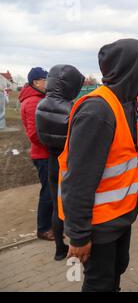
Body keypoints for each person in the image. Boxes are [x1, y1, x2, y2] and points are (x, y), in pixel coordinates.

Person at [59, 39, 138, 292]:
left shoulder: (130, 102)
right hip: (98, 225)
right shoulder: (97, 111)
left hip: (120, 217)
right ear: (135, 68)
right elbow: (78, 180)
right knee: (99, 284)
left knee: (115, 275)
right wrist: (78, 235)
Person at [35, 65, 85, 260]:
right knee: (72, 206)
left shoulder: (40, 106)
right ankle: (76, 245)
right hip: (69, 163)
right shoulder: (72, 109)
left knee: (57, 207)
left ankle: (59, 249)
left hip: (51, 162)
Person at [19, 67, 54, 241]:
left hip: (44, 153)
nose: (47, 81)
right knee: (48, 192)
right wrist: (54, 144)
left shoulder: (39, 98)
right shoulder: (33, 101)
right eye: (44, 79)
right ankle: (43, 228)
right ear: (36, 82)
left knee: (51, 190)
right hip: (43, 154)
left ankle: (50, 225)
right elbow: (35, 134)